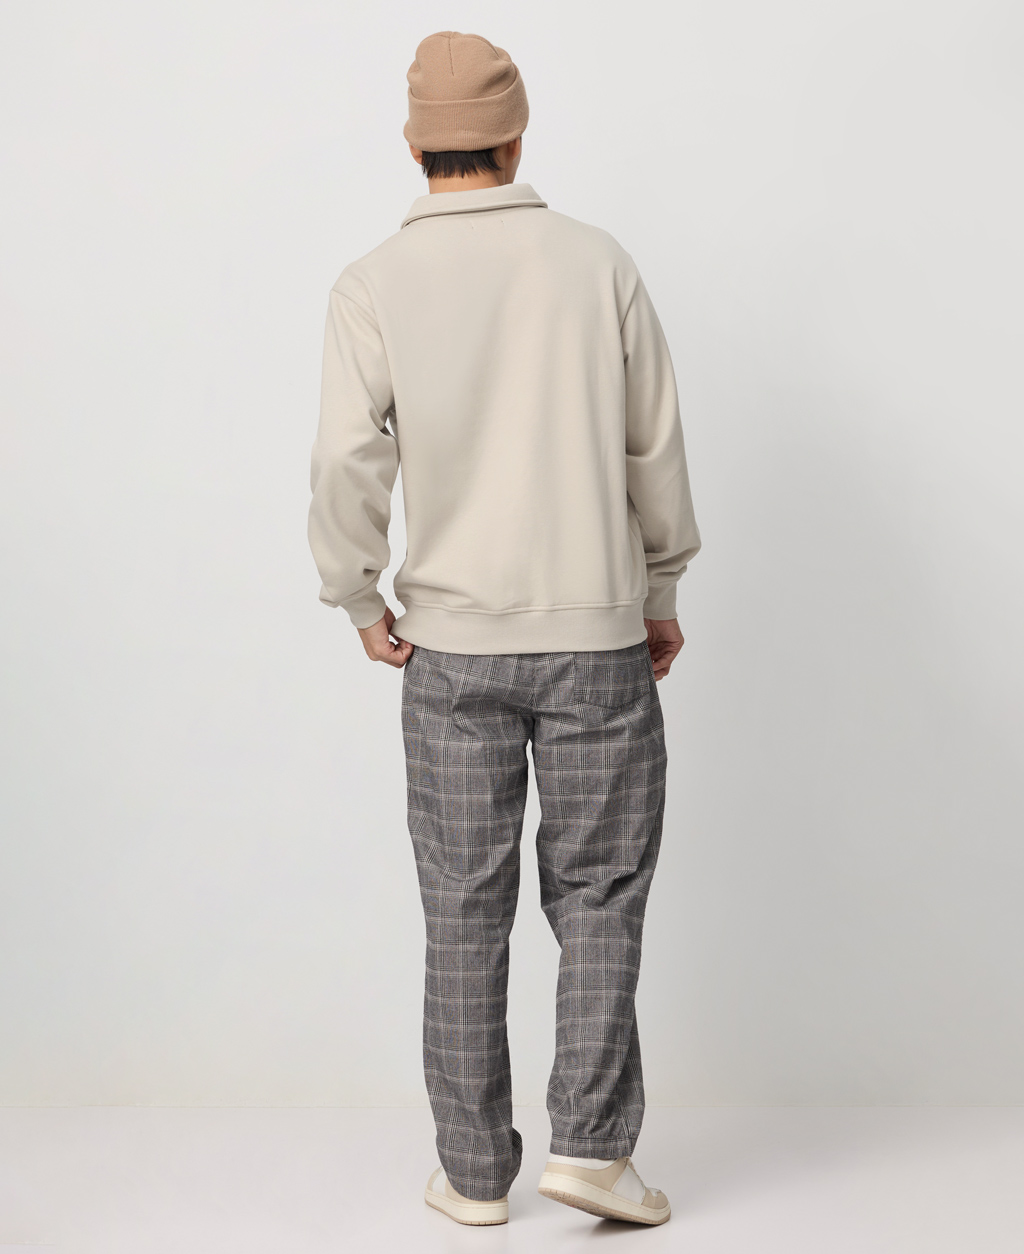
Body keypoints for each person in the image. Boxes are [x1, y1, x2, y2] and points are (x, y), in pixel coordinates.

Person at [307, 30, 701, 1228]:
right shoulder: (596, 263)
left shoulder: (373, 282)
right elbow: (652, 448)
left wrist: (359, 596)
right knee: (600, 895)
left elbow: (346, 461)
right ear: (517, 138)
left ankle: (475, 1174)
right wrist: (659, 592)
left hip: (450, 651)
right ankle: (592, 1150)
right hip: (596, 641)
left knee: (462, 909)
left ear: (413, 146)